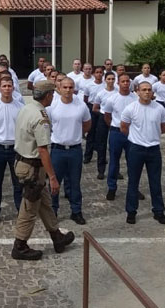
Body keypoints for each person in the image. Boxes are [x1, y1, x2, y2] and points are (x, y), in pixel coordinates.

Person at [11, 80, 75, 261]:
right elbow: (43, 149)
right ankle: (20, 245)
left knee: (45, 202)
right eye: (52, 94)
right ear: (48, 96)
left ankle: (57, 236)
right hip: (32, 167)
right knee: (29, 207)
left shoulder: (26, 109)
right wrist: (53, 177)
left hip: (24, 163)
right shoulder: (41, 117)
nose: (53, 97)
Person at [120, 80, 165, 225]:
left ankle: (159, 211)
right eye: (144, 90)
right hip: (136, 148)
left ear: (153, 92)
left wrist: (152, 135)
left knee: (155, 182)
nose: (147, 92)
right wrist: (135, 137)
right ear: (137, 91)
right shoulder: (130, 108)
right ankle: (131, 212)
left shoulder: (159, 108)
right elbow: (124, 127)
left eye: (149, 90)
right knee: (133, 182)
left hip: (154, 149)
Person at [46, 77, 91, 225]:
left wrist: (75, 136)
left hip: (75, 150)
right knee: (54, 182)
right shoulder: (53, 106)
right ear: (59, 88)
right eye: (65, 87)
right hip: (58, 149)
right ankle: (53, 211)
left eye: (70, 87)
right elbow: (49, 125)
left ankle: (76, 211)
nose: (68, 90)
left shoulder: (81, 105)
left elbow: (87, 124)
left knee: (75, 182)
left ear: (74, 89)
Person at [0, 76, 24, 226]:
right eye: (4, 86)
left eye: (9, 86)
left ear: (13, 88)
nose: (7, 88)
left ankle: (21, 210)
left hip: (15, 149)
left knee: (18, 182)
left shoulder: (20, 107)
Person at [101, 74, 138, 200]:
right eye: (123, 81)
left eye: (128, 81)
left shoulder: (135, 98)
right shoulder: (112, 99)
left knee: (133, 162)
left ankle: (134, 188)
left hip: (131, 133)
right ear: (118, 83)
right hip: (116, 132)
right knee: (114, 161)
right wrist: (114, 126)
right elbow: (107, 115)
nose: (126, 83)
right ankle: (112, 187)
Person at [88, 70, 116, 179]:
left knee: (114, 146)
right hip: (103, 118)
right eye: (109, 79)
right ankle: (101, 169)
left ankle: (115, 169)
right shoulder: (101, 93)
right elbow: (95, 108)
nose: (111, 81)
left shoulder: (117, 92)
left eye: (113, 79)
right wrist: (103, 114)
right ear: (105, 80)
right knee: (101, 144)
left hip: (115, 119)